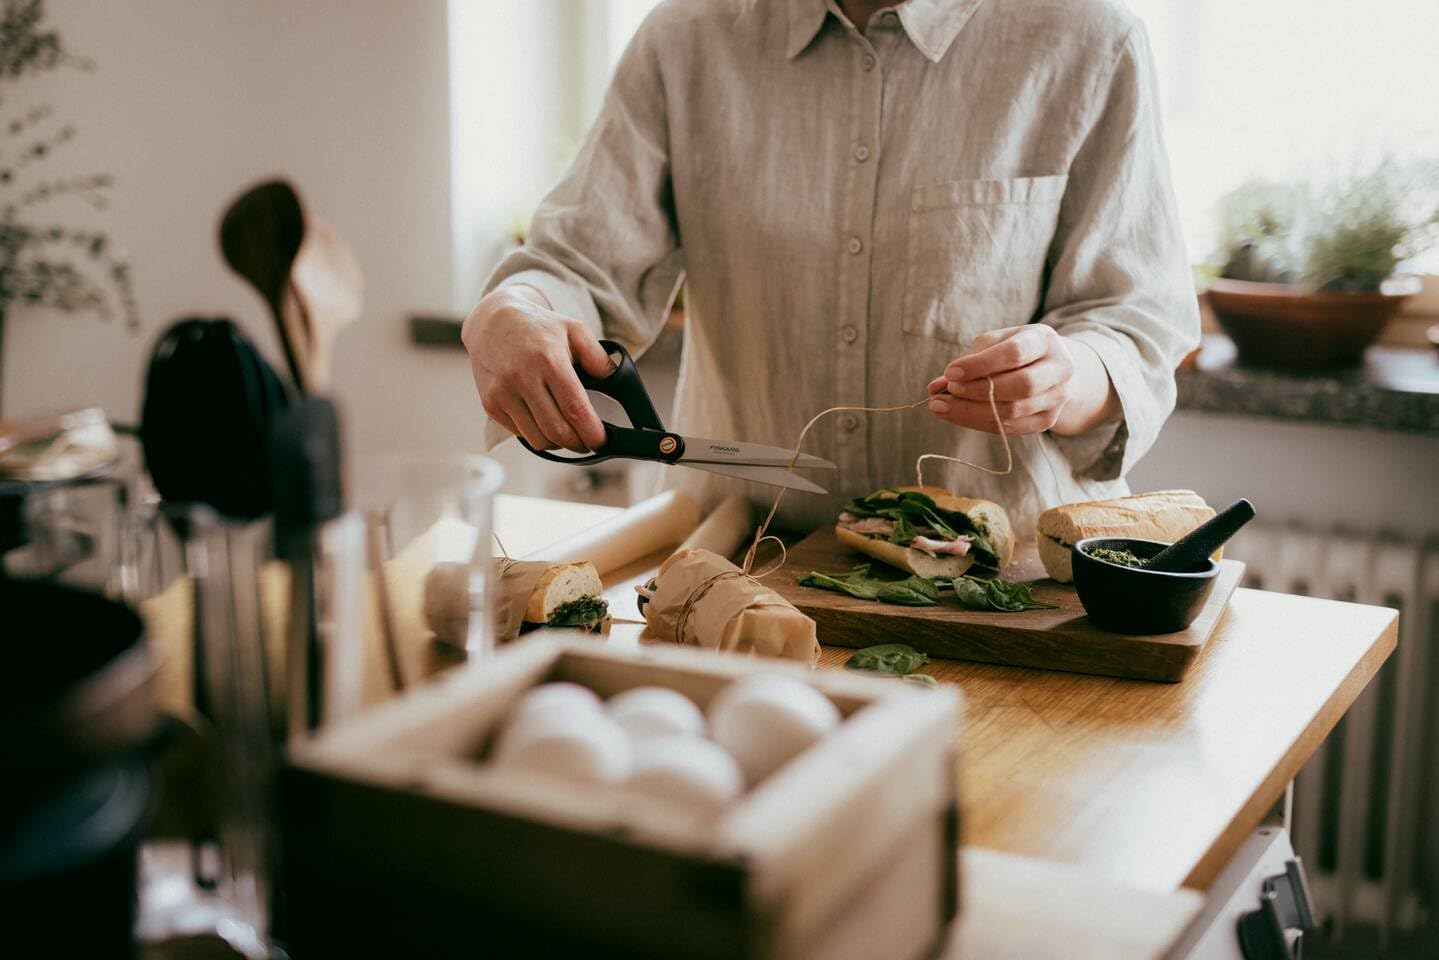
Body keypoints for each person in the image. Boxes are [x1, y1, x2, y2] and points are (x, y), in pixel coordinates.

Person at [463, 0, 1199, 533]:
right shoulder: (681, 40)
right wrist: (515, 310)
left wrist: (1067, 376)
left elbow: (1135, 320)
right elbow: (576, 262)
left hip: (1001, 590)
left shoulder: (1089, 40)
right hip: (739, 574)